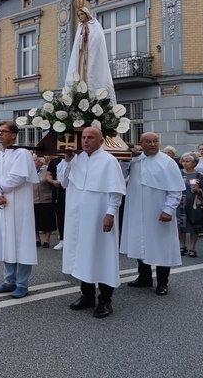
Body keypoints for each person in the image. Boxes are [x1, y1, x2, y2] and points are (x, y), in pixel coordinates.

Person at [59, 127, 126, 319]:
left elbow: (116, 191)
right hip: (78, 215)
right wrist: (67, 160)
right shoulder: (77, 159)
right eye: (84, 138)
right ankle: (87, 295)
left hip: (99, 214)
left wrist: (110, 213)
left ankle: (105, 300)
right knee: (82, 254)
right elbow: (63, 182)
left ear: (100, 141)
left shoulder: (108, 161)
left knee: (101, 253)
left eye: (90, 138)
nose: (86, 141)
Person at [120, 133, 184, 296]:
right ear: (141, 143)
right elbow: (121, 176)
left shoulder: (167, 162)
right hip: (137, 210)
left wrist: (168, 209)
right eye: (148, 142)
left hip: (159, 211)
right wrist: (126, 158)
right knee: (140, 241)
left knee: (161, 245)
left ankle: (163, 282)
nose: (152, 144)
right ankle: (144, 277)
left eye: (155, 141)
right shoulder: (135, 160)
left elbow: (176, 189)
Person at [0, 121, 38, 298]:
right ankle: (9, 280)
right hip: (2, 204)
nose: (0, 134)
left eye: (4, 131)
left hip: (20, 206)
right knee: (6, 240)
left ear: (14, 134)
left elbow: (18, 177)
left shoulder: (22, 153)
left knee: (21, 242)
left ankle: (22, 284)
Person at [65, 6, 116, 104]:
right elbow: (77, 46)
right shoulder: (80, 27)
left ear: (87, 14)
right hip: (82, 56)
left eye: (82, 14)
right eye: (79, 15)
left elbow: (98, 40)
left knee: (92, 75)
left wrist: (88, 39)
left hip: (92, 56)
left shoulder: (95, 24)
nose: (80, 17)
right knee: (81, 75)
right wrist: (82, 39)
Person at [178, 152, 203, 257]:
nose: (185, 163)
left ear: (194, 163)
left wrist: (198, 189)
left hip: (194, 204)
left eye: (188, 161)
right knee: (181, 226)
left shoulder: (198, 175)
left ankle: (192, 248)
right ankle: (182, 246)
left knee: (194, 225)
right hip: (180, 203)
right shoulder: (179, 173)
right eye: (183, 161)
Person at [32, 155, 55, 248]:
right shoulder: (30, 171)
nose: (32, 163)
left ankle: (46, 240)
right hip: (34, 199)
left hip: (46, 198)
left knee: (47, 221)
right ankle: (37, 239)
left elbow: (50, 180)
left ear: (39, 162)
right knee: (35, 220)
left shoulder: (46, 169)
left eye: (34, 160)